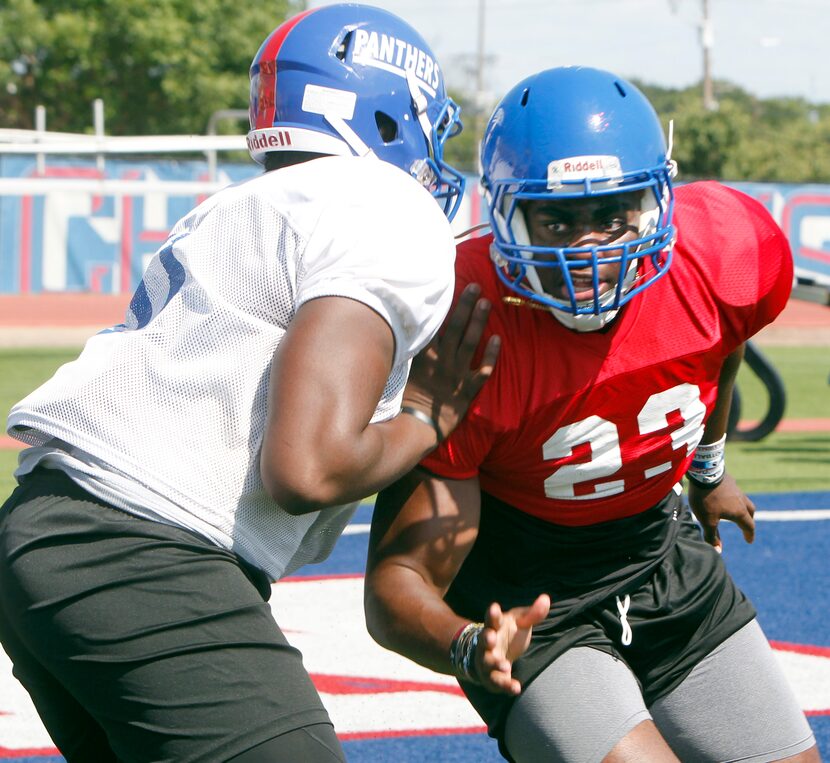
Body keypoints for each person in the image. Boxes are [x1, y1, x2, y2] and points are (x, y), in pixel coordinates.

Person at [0, 5, 499, 762]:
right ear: (391, 119)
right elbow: (308, 467)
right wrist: (426, 415)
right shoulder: (387, 205)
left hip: (41, 531)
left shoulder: (232, 207)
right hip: (143, 551)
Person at [364, 66, 820, 763]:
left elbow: (720, 343)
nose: (589, 249)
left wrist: (709, 467)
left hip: (658, 555)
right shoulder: (469, 324)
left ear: (656, 202)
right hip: (528, 598)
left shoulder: (718, 254)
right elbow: (396, 587)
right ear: (508, 213)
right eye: (558, 218)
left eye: (612, 214)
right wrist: (467, 641)